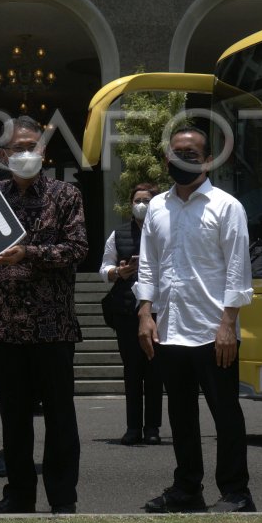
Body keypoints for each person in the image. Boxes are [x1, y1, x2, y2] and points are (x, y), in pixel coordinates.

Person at [136, 125, 256, 514]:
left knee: (226, 415)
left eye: (191, 154)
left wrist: (228, 324)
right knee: (181, 415)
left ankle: (236, 492)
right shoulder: (157, 207)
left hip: (213, 330)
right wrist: (144, 314)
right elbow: (148, 267)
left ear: (208, 160)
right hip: (169, 329)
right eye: (176, 152)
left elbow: (238, 270)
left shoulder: (226, 206)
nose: (182, 159)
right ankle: (188, 489)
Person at [0, 116, 87, 514]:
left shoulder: (66, 195)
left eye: (32, 146)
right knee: (14, 420)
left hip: (52, 325)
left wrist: (31, 253)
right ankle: (19, 495)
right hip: (4, 326)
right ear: (3, 154)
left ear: (43, 151)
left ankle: (63, 498)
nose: (25, 154)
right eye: (17, 148)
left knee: (60, 419)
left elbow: (77, 250)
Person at [100, 183, 163, 446]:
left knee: (155, 371)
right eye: (137, 200)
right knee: (132, 370)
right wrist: (118, 272)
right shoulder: (118, 234)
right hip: (127, 310)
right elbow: (104, 269)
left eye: (147, 200)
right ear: (130, 204)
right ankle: (133, 427)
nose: (142, 204)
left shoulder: (164, 231)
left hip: (159, 310)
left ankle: (152, 428)